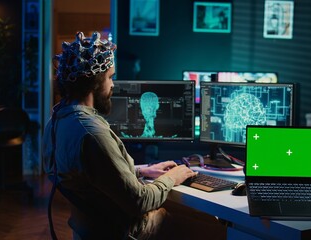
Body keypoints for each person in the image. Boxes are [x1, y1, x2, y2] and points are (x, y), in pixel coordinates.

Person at [42, 31, 202, 240]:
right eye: (110, 77)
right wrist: (172, 177)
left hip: (88, 228)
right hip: (122, 230)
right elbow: (140, 202)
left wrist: (144, 169)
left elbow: (91, 174)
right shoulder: (93, 134)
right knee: (216, 230)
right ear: (94, 82)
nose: (113, 85)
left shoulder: (56, 122)